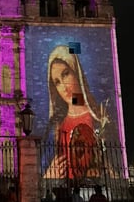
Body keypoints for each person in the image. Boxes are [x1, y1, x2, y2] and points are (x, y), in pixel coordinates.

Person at [44, 45, 111, 180]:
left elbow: (111, 164)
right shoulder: (56, 125)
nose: (63, 87)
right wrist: (48, 176)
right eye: (57, 82)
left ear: (76, 72)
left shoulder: (100, 117)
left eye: (66, 74)